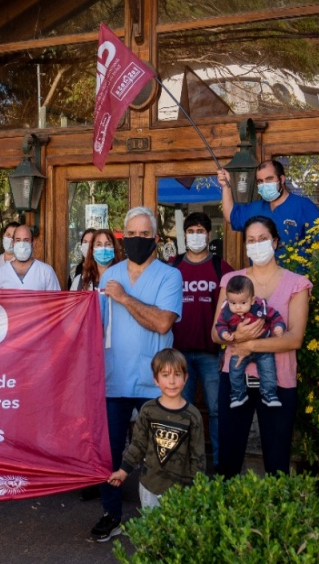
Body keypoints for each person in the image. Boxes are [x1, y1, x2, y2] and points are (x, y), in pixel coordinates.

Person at [92, 206, 183, 543]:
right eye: (131, 234)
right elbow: (96, 326)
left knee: (158, 453)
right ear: (123, 236)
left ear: (156, 239)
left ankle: (160, 522)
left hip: (155, 381)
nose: (137, 239)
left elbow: (162, 322)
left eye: (145, 234)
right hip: (114, 378)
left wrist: (125, 298)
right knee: (110, 454)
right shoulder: (109, 275)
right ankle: (110, 514)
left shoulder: (170, 276)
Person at [212, 215, 312, 478]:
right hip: (235, 379)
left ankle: (274, 516)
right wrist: (235, 339)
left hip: (279, 381)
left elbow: (294, 339)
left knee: (277, 460)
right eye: (251, 241)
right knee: (228, 459)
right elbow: (215, 333)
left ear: (275, 242)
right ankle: (225, 515)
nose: (257, 245)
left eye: (263, 239)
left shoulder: (297, 283)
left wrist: (249, 344)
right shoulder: (231, 281)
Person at [170, 212, 233, 466]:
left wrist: (226, 350)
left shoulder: (221, 267)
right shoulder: (172, 266)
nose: (196, 235)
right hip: (177, 355)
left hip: (211, 353)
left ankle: (220, 468)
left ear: (209, 234)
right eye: (191, 231)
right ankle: (181, 468)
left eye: (201, 230)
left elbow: (234, 311)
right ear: (184, 235)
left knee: (218, 411)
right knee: (178, 413)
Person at [106, 349, 205, 510]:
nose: (172, 381)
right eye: (165, 375)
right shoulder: (148, 410)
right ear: (155, 380)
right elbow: (138, 445)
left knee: (176, 533)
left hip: (182, 491)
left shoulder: (193, 416)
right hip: (149, 485)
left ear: (186, 378)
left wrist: (197, 489)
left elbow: (198, 457)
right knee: (152, 530)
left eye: (177, 374)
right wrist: (123, 471)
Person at [218, 160, 319, 267]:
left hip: (295, 281)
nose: (264, 184)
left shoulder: (303, 206)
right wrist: (225, 186)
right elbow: (230, 216)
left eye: (269, 179)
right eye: (260, 181)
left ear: (282, 179)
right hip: (261, 280)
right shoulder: (255, 208)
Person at [216, 275, 285, 409]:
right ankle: (238, 393)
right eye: (233, 303)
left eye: (243, 303)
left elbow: (275, 316)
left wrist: (278, 327)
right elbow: (220, 325)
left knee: (268, 369)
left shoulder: (260, 307)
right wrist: (224, 333)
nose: (237, 307)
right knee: (234, 369)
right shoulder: (226, 312)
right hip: (240, 349)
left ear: (252, 300)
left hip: (262, 348)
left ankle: (269, 393)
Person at [0, 224, 60, 291]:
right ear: (13, 243)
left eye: (26, 240)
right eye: (18, 240)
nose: (21, 245)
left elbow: (56, 302)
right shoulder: (1, 274)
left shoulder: (46, 272)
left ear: (33, 244)